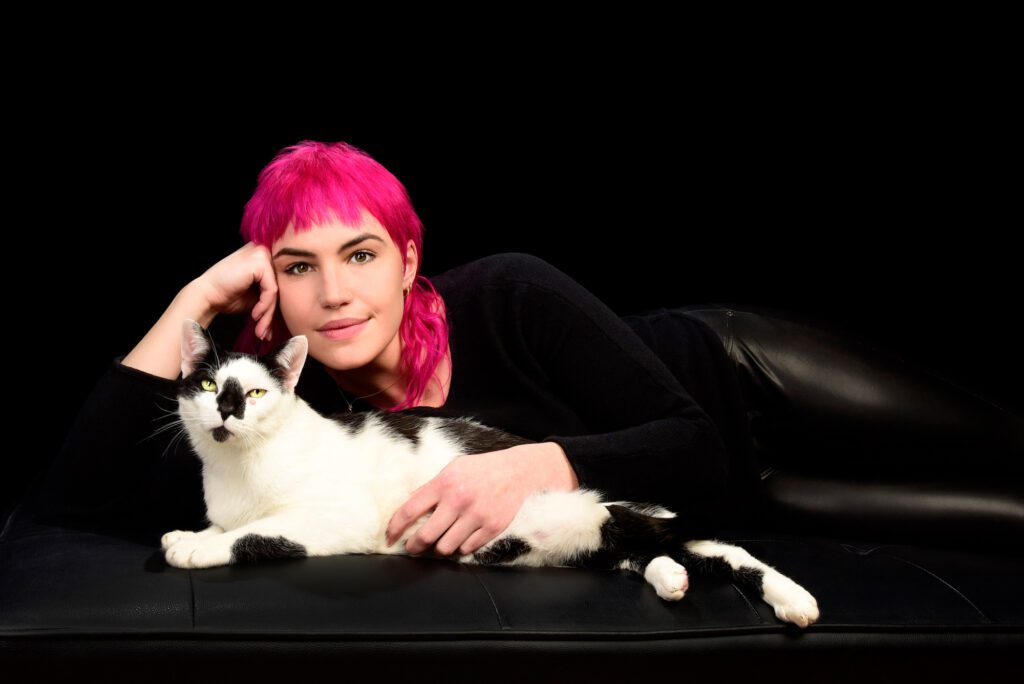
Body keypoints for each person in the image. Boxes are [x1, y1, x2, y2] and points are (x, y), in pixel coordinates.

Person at [32, 140, 748, 558]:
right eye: (299, 266)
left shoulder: (513, 295)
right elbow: (76, 501)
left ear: (408, 264)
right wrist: (195, 299)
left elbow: (697, 446)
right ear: (269, 283)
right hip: (708, 513)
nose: (335, 293)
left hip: (749, 375)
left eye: (362, 255)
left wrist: (537, 464)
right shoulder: (281, 398)